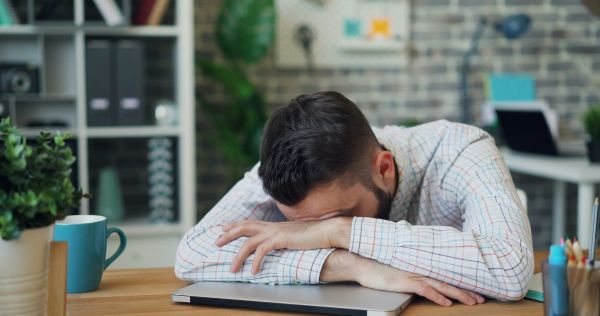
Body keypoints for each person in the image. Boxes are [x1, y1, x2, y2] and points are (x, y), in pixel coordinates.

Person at [175, 91, 533, 306]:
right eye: (303, 225)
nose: (310, 233)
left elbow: (510, 268)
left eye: (335, 215)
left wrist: (341, 232)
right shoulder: (284, 169)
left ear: (384, 168)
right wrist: (350, 265)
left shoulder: (461, 150)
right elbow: (192, 255)